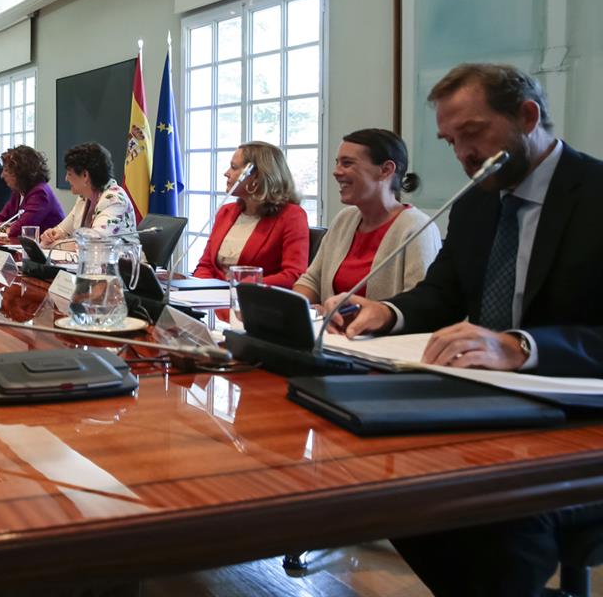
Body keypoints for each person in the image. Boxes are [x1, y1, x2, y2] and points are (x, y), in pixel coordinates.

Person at [328, 64, 603, 597]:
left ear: (528, 116)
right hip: (485, 406)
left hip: (577, 420)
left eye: (472, 134)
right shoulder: (479, 201)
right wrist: (388, 312)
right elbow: (443, 293)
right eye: (451, 141)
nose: (463, 155)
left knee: (494, 515)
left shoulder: (596, 194)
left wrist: (520, 347)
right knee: (379, 472)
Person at [294, 129, 441, 304]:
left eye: (347, 163)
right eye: (337, 163)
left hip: (383, 333)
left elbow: (420, 306)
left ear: (386, 170)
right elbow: (311, 281)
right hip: (331, 331)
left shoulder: (418, 228)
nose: (336, 172)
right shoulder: (344, 219)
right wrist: (298, 310)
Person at [192, 141, 308, 288]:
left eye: (234, 167)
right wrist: (200, 290)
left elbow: (293, 275)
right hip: (212, 302)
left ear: (257, 176)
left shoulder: (292, 216)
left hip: (255, 302)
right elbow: (205, 265)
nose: (226, 173)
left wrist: (241, 286)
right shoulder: (225, 212)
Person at [40, 142, 135, 246]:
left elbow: (91, 245)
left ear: (85, 175)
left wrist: (52, 245)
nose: (66, 178)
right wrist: (50, 235)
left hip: (123, 261)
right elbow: (62, 231)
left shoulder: (114, 201)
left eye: (69, 173)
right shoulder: (84, 197)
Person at [0, 145, 65, 240]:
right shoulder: (19, 192)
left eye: (6, 170)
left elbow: (21, 229)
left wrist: (5, 228)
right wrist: (6, 228)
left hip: (48, 251)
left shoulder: (40, 192)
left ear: (21, 172)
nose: (2, 176)